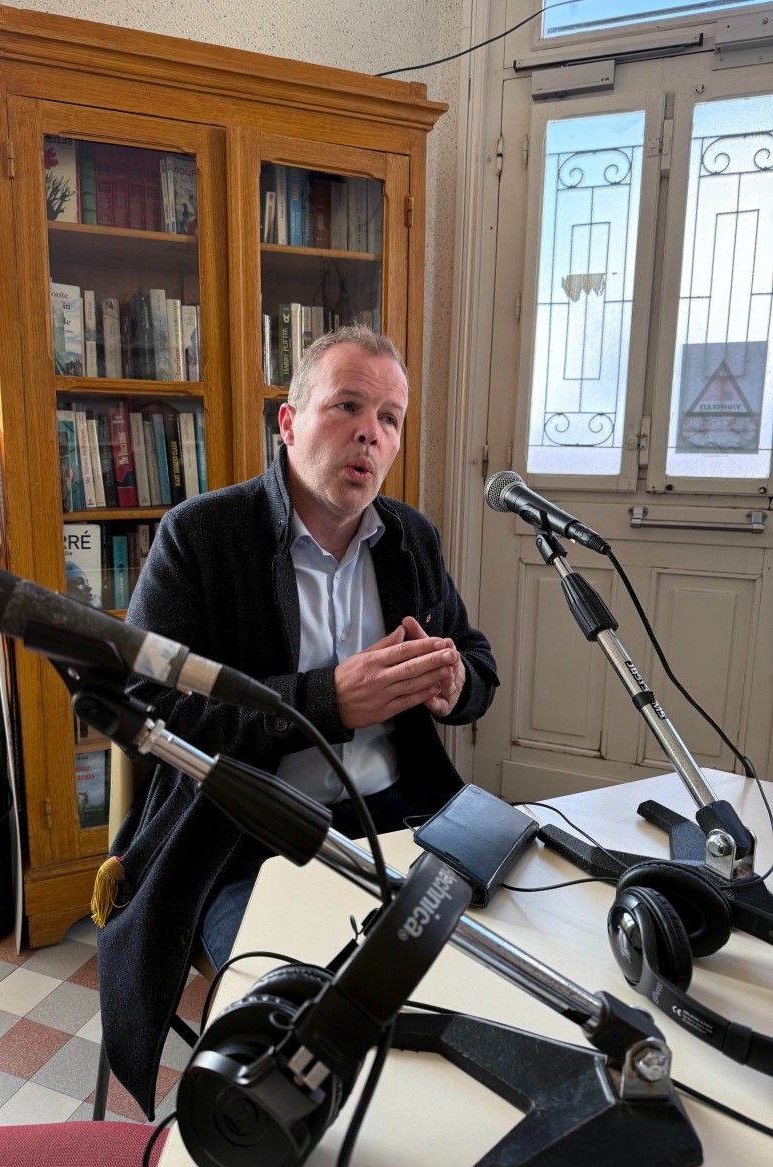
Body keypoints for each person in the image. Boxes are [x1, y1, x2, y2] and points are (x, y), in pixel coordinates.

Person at [96, 324, 498, 1117]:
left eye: (389, 418)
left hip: (401, 818)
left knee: (487, 981)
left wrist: (455, 684)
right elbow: (148, 707)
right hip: (244, 834)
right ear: (288, 422)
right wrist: (323, 703)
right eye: (346, 406)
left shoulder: (409, 538)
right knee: (305, 1032)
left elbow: (475, 657)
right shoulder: (201, 535)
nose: (369, 433)